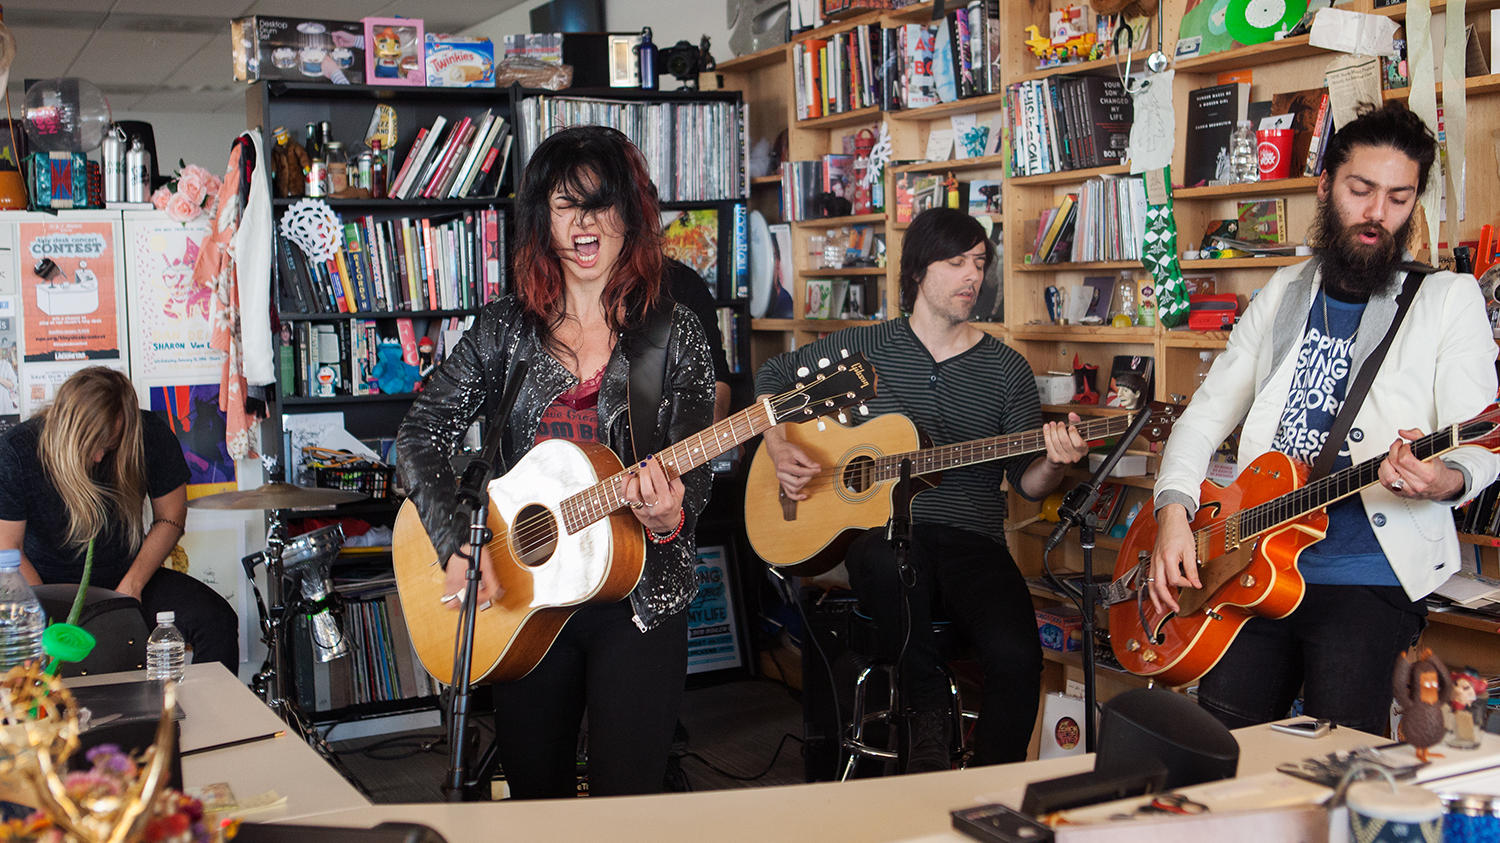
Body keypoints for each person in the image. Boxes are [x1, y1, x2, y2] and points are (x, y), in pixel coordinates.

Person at [1149, 102, 1500, 735]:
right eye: (1360, 190)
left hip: (1369, 574)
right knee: (1222, 747)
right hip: (1249, 566)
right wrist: (1173, 514)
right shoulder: (1282, 291)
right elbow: (1202, 416)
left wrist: (1442, 479)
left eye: (1398, 197)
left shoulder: (1448, 299)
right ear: (1325, 186)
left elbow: (1481, 443)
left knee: (1338, 761)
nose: (1376, 214)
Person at [396, 125, 716, 799]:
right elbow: (420, 432)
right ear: (543, 217)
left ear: (631, 214)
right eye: (566, 205)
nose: (585, 223)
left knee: (626, 799)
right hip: (526, 595)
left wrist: (668, 512)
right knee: (535, 798)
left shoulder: (673, 329)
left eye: (600, 203)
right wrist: (455, 541)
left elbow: (699, 467)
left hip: (638, 595)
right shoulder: (505, 329)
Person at [755, 207, 1090, 771]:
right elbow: (771, 379)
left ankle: (990, 791)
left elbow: (1028, 486)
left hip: (973, 542)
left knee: (1016, 657)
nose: (972, 277)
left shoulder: (1006, 369)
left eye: (980, 263)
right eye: (955, 262)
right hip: (881, 536)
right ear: (916, 272)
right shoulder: (866, 351)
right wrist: (778, 444)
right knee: (886, 561)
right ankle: (930, 712)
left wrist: (1055, 463)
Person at [0, 366, 239, 672]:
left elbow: (172, 516)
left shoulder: (148, 432)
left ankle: (208, 718)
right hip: (46, 585)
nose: (100, 457)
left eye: (109, 445)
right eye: (91, 446)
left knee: (215, 619)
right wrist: (48, 616)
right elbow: (9, 548)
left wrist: (130, 588)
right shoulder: (17, 450)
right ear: (64, 428)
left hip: (126, 576)